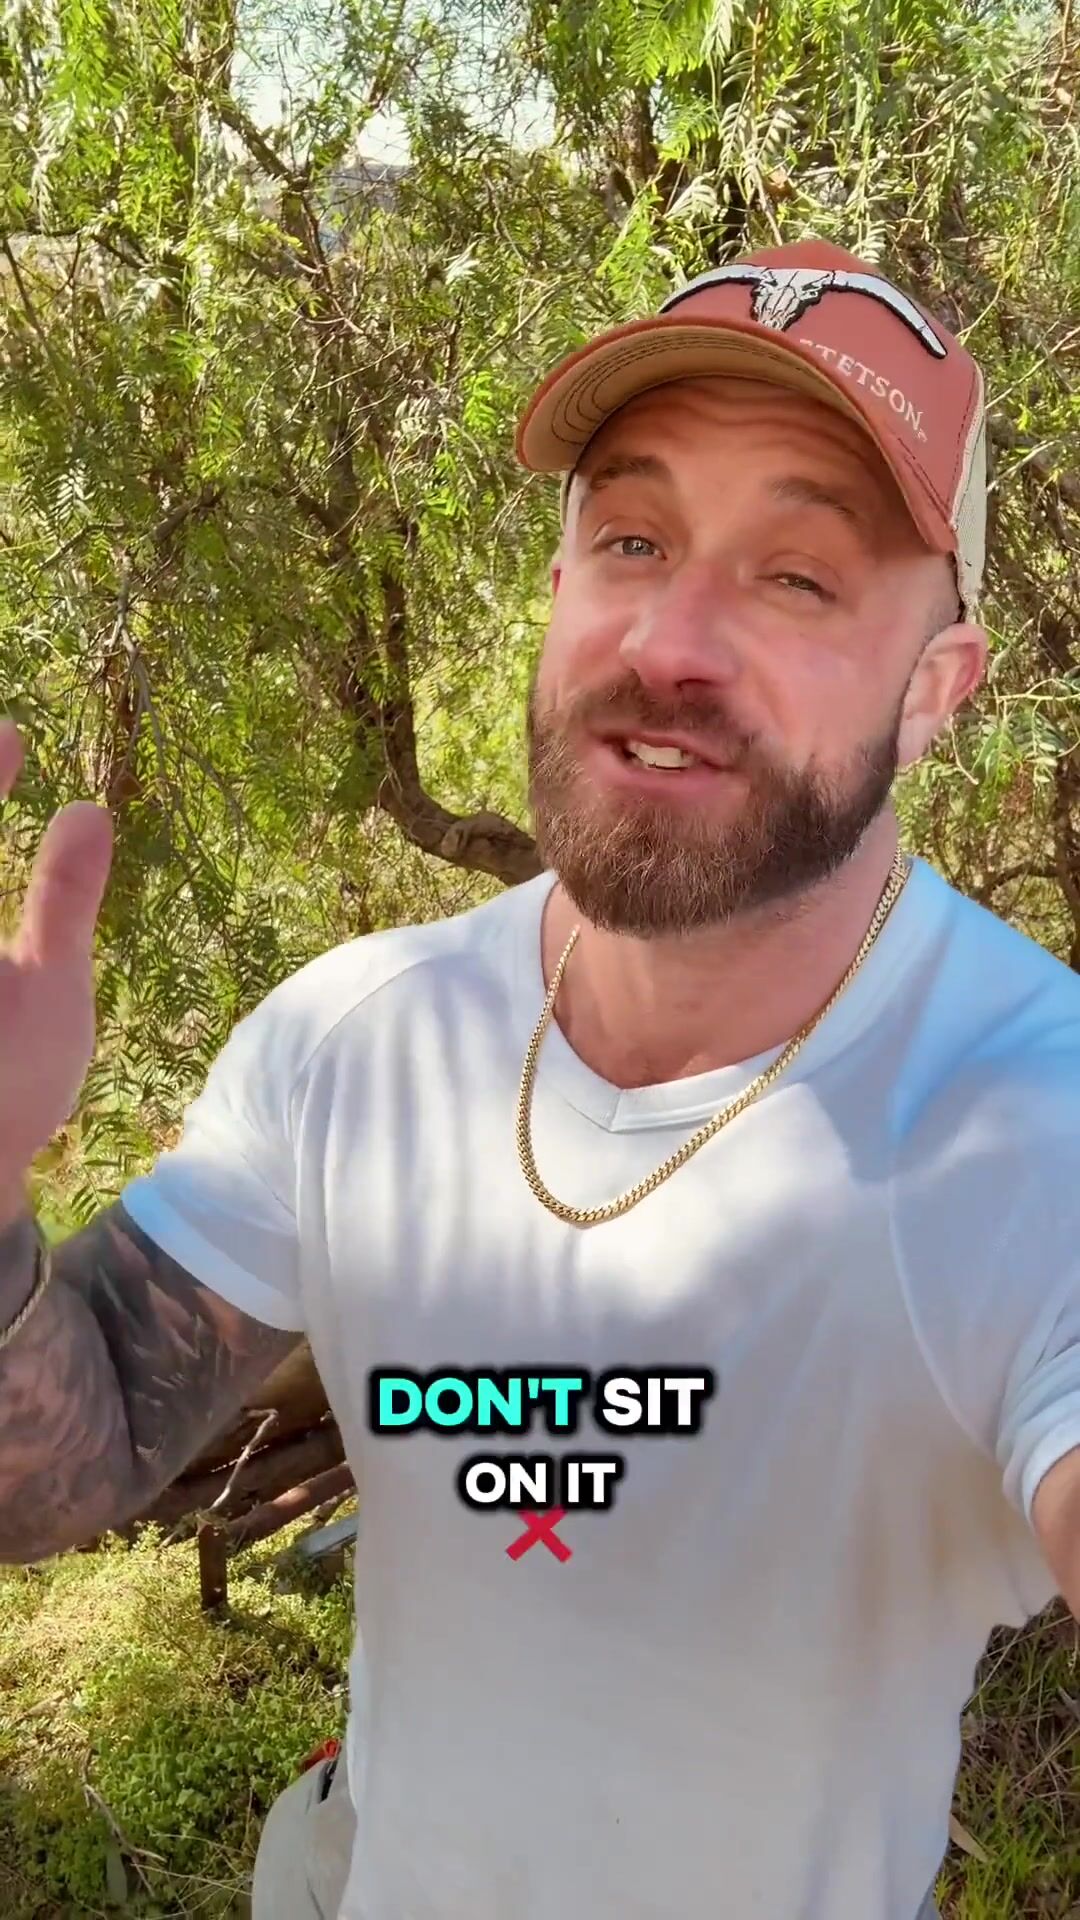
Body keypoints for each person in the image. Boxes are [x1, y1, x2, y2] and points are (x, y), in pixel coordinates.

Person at [1, 234, 1079, 1920]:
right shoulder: (360, 1037)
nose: (673, 638)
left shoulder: (1027, 1122)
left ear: (936, 690)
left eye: (799, 577)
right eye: (633, 539)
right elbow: (67, 1460)